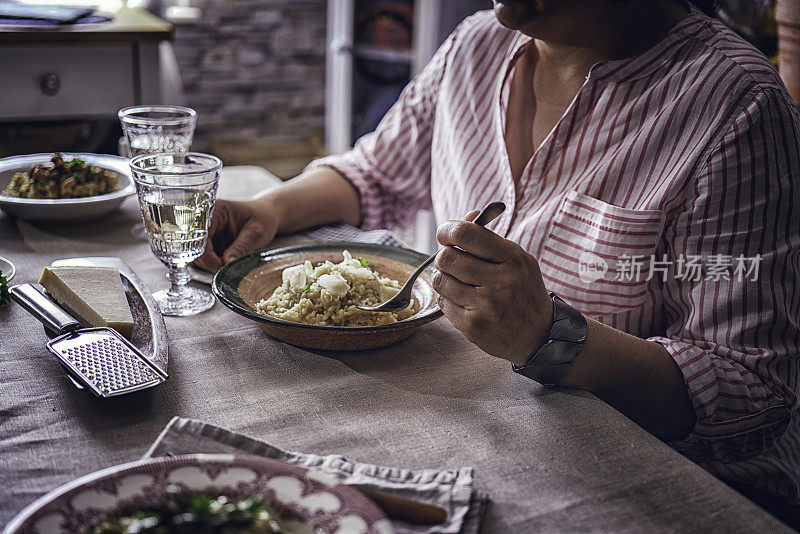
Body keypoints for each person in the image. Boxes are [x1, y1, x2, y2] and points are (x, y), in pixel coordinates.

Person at [197, 0, 800, 521]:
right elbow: (378, 172)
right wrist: (269, 208)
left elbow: (752, 391)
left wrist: (551, 336)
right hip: (483, 424)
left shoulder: (735, 104)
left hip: (677, 480)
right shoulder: (477, 44)